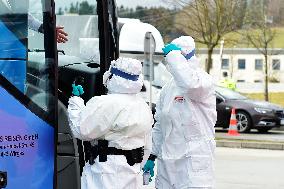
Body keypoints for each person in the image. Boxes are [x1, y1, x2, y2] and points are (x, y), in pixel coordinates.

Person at [68, 57, 154, 189]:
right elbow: (147, 144)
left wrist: (76, 100)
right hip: (132, 172)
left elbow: (81, 130)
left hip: (106, 173)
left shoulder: (105, 103)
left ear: (112, 76)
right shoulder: (142, 106)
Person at [143, 36, 217, 189]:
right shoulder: (167, 89)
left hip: (193, 165)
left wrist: (174, 56)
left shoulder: (202, 80)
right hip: (167, 165)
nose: (168, 62)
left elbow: (189, 84)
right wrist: (151, 156)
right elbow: (159, 126)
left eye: (170, 57)